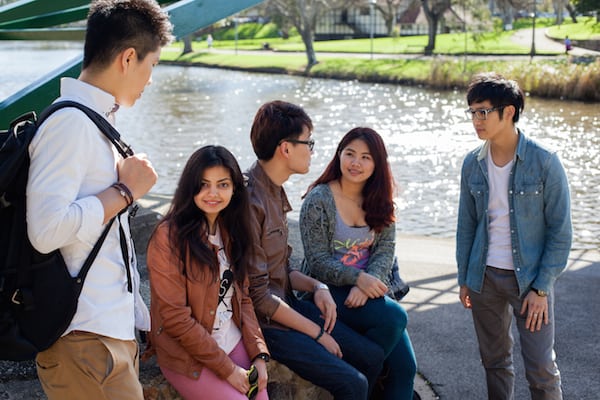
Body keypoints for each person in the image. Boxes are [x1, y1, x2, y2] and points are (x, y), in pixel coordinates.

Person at [25, 1, 173, 399]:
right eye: (152, 65)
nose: (151, 79)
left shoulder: (93, 123)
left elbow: (106, 242)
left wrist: (138, 317)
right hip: (84, 343)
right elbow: (45, 229)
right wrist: (124, 192)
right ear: (128, 58)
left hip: (105, 337)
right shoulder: (70, 124)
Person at [245, 100, 385, 400]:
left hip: (289, 304)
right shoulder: (250, 200)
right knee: (353, 383)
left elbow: (281, 268)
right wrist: (318, 333)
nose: (312, 150)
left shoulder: (275, 190)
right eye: (308, 142)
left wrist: (317, 286)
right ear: (286, 149)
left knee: (373, 357)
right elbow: (258, 298)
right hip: (267, 325)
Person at [457, 72, 572, 400]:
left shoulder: (545, 162)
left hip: (530, 282)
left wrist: (542, 287)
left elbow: (561, 233)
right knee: (494, 362)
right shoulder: (472, 164)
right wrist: (465, 277)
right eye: (472, 112)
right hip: (484, 279)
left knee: (540, 368)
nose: (476, 120)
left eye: (483, 112)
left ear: (508, 112)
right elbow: (466, 225)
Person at [300, 127, 417, 400]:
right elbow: (317, 261)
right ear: (338, 155)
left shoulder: (381, 200)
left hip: (365, 292)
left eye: (366, 157)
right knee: (395, 317)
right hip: (325, 292)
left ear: (377, 163)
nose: (356, 163)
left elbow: (385, 251)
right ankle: (357, 383)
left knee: (405, 368)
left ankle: (359, 379)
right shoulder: (319, 199)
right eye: (350, 154)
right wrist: (357, 278)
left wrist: (365, 284)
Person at [146, 146, 269, 400]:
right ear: (190, 187)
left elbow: (243, 299)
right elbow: (175, 317)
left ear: (234, 188)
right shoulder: (168, 237)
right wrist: (229, 370)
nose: (212, 193)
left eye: (222, 184)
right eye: (203, 184)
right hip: (185, 354)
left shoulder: (232, 230)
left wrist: (258, 354)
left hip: (231, 339)